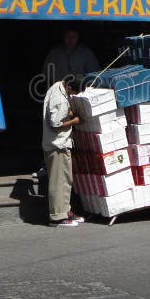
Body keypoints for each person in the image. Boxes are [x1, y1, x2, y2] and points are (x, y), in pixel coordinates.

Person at [43, 74, 83, 227]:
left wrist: (70, 113)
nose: (74, 96)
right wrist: (75, 121)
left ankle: (66, 211)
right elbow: (55, 123)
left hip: (60, 144)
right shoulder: (59, 97)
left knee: (65, 179)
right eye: (74, 94)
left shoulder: (57, 88)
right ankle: (57, 217)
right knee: (59, 181)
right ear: (69, 87)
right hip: (57, 145)